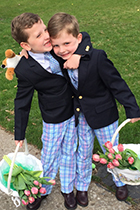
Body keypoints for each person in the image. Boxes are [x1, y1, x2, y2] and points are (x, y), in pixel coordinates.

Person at [47, 12, 140, 206]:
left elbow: (117, 84)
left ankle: (120, 180)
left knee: (112, 150)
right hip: (81, 116)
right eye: (56, 45)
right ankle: (82, 186)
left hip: (105, 115)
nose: (62, 50)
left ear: (78, 39)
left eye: (67, 44)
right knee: (83, 151)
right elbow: (40, 52)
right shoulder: (58, 59)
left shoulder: (97, 57)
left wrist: (132, 108)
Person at [11, 13, 91, 210]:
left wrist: (78, 55)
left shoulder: (57, 48)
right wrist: (19, 133)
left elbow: (85, 36)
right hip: (53, 118)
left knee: (69, 152)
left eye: (44, 30)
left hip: (73, 112)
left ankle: (67, 189)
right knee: (49, 155)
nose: (46, 36)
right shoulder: (25, 68)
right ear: (26, 46)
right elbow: (22, 102)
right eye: (38, 36)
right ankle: (43, 190)